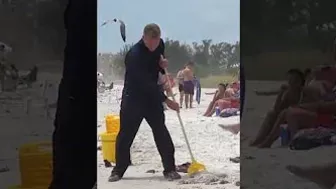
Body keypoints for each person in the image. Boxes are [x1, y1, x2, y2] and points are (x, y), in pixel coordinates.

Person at [109, 23, 181, 182]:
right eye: (151, 43)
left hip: (151, 98)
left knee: (160, 131)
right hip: (133, 97)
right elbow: (144, 84)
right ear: (144, 38)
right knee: (126, 135)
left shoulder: (160, 45)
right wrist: (167, 100)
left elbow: (157, 67)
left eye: (157, 42)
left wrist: (162, 66)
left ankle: (169, 168)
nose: (155, 46)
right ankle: (118, 170)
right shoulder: (134, 55)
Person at [250, 69, 305, 146]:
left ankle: (267, 141)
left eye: (294, 80)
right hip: (286, 115)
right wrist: (280, 94)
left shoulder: (304, 92)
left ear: (300, 81)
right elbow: (276, 109)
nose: (291, 82)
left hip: (296, 116)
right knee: (271, 114)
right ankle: (259, 139)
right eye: (289, 80)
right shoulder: (287, 92)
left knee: (282, 114)